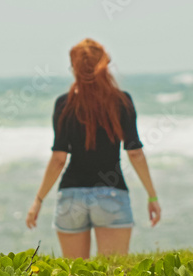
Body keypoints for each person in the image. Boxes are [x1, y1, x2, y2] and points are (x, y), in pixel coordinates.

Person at [25, 38, 161, 259]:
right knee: (113, 272)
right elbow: (134, 152)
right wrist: (152, 197)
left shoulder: (64, 104)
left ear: (74, 69)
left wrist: (38, 201)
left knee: (75, 273)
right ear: (105, 66)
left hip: (71, 197)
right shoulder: (121, 101)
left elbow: (59, 158)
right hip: (112, 194)